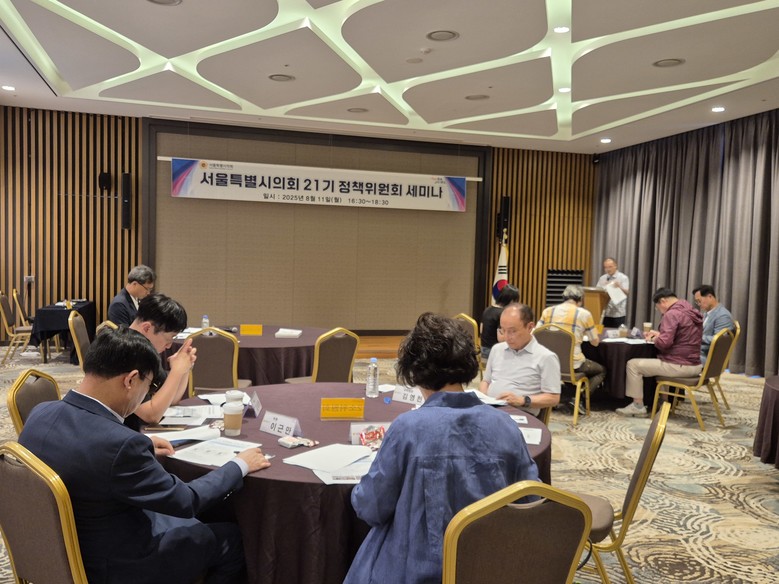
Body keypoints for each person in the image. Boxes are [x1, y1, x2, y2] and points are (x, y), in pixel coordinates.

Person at [19, 326, 271, 584]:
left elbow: (85, 452)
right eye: (149, 386)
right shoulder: (120, 445)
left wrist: (144, 443)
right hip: (115, 566)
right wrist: (239, 464)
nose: (146, 395)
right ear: (131, 380)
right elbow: (186, 501)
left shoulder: (40, 413)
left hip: (55, 554)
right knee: (232, 538)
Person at [344, 313, 538, 584]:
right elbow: (531, 500)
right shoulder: (505, 425)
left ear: (414, 372)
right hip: (490, 566)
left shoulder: (408, 428)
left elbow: (371, 508)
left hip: (415, 570)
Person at [618, 287, 702, 417]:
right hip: (695, 365)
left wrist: (654, 338)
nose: (659, 311)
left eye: (658, 308)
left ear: (663, 301)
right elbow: (682, 337)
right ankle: (663, 401)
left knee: (632, 365)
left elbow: (664, 344)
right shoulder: (689, 310)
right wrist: (660, 335)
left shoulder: (672, 314)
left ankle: (637, 406)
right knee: (653, 360)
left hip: (680, 365)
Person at [125, 293, 195, 430]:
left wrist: (184, 368)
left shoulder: (147, 351)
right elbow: (151, 415)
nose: (169, 345)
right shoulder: (126, 351)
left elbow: (171, 399)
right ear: (147, 328)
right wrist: (176, 371)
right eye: (169, 338)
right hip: (121, 432)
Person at [480, 303, 561, 415]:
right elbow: (486, 381)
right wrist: (484, 399)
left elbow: (553, 398)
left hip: (520, 413)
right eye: (503, 330)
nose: (506, 337)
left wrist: (523, 400)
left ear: (530, 327)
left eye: (512, 331)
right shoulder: (497, 349)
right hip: (491, 410)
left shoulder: (546, 357)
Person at [538, 284, 606, 392]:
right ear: (580, 299)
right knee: (601, 370)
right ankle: (582, 397)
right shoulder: (584, 314)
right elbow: (595, 342)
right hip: (573, 364)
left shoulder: (548, 311)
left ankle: (568, 393)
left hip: (549, 362)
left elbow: (537, 334)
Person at [692, 285, 735, 364]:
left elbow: (719, 340)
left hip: (707, 357)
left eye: (699, 301)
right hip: (699, 351)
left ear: (710, 297)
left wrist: (696, 337)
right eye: (697, 302)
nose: (698, 304)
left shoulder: (723, 315)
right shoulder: (707, 313)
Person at [479, 283, 520, 358]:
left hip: (483, 350)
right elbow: (501, 339)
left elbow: (481, 330)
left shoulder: (487, 309)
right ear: (511, 300)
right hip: (494, 353)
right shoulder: (503, 313)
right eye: (515, 301)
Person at [596, 257, 630, 328]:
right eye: (606, 267)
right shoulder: (602, 278)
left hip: (618, 313)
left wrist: (619, 287)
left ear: (615, 266)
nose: (608, 269)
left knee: (617, 333)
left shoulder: (623, 277)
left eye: (610, 267)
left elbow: (627, 292)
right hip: (605, 312)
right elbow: (597, 292)